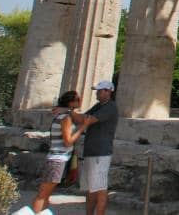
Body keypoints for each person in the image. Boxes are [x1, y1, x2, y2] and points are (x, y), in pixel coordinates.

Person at [30, 90, 96, 213]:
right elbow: (68, 141)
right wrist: (83, 127)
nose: (81, 101)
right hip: (57, 160)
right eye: (78, 99)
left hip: (57, 159)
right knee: (43, 195)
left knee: (45, 195)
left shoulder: (63, 114)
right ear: (71, 102)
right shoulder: (65, 118)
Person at [81, 80, 119, 215]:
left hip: (100, 153)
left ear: (108, 92)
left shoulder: (110, 107)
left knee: (100, 189)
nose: (96, 93)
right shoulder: (98, 106)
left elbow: (88, 120)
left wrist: (68, 111)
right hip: (91, 152)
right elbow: (83, 117)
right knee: (91, 189)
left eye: (99, 90)